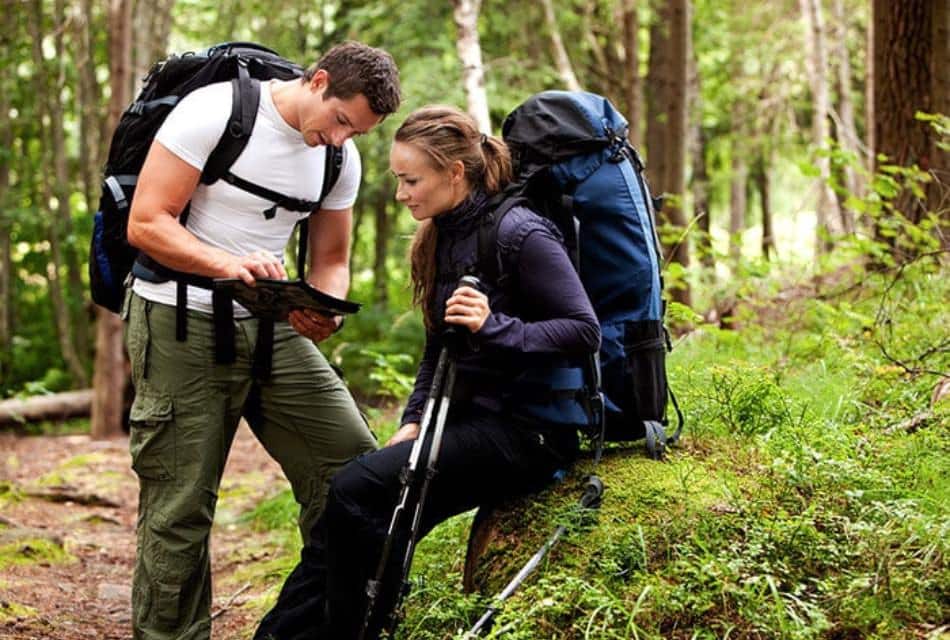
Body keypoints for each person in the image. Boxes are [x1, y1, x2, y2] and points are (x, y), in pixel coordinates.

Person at [254, 105, 601, 640]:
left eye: (411, 180)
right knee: (354, 515)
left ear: (454, 173)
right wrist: (414, 418)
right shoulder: (444, 235)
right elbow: (439, 344)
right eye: (398, 179)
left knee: (354, 488)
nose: (401, 194)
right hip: (468, 422)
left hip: (530, 431)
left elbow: (583, 330)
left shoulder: (519, 231)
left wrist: (496, 327)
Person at [122, 41, 400, 640]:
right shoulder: (215, 112)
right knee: (181, 509)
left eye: (358, 133)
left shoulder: (338, 161)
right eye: (342, 121)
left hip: (271, 326)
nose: (341, 140)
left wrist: (324, 309)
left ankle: (321, 625)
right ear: (319, 81)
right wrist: (227, 263)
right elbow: (146, 223)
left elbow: (331, 259)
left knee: (353, 467)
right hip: (178, 320)